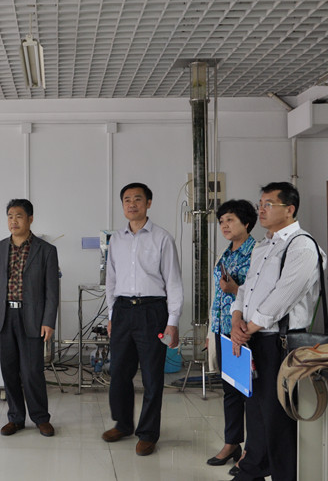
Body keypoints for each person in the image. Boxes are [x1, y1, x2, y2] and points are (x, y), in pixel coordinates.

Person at [230, 182, 326, 481]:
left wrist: (247, 329)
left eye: (268, 204)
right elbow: (245, 290)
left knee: (278, 414)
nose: (261, 209)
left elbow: (284, 296)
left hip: (279, 342)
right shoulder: (263, 246)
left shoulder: (302, 246)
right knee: (255, 410)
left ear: (290, 209)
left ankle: (285, 475)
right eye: (260, 204)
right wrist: (236, 320)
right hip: (253, 338)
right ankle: (253, 469)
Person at [101, 182, 183, 457]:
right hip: (123, 310)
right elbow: (111, 280)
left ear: (148, 203)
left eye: (137, 199)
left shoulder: (162, 238)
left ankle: (147, 433)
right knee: (119, 373)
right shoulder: (116, 240)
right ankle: (123, 424)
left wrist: (172, 321)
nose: (132, 204)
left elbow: (173, 282)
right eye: (127, 200)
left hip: (152, 311)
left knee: (151, 375)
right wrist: (111, 315)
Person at [0, 199, 59, 438]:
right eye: (9, 216)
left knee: (32, 372)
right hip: (4, 316)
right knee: (9, 371)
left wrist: (48, 321)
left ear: (30, 219)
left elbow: (52, 291)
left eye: (18, 216)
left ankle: (41, 418)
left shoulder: (46, 250)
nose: (13, 221)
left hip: (32, 318)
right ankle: (15, 418)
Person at [206, 200, 257, 472]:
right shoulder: (225, 254)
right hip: (222, 329)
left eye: (230, 220)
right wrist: (211, 330)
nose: (224, 225)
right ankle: (232, 442)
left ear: (246, 223)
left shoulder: (256, 253)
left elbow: (257, 295)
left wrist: (235, 288)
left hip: (246, 331)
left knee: (250, 393)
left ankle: (252, 451)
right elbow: (216, 295)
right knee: (230, 390)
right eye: (222, 221)